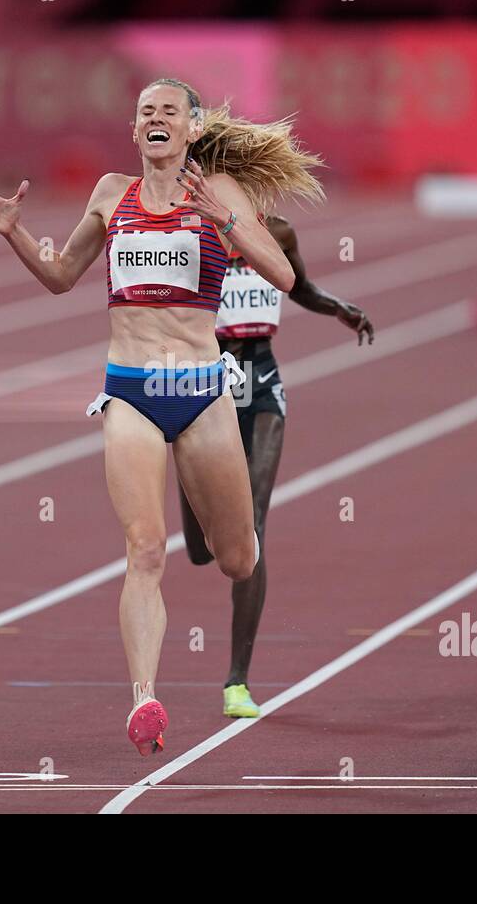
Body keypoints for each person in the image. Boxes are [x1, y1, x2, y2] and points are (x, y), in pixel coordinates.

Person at [0, 78, 323, 751]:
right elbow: (62, 275)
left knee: (238, 558)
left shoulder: (221, 195)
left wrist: (227, 219)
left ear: (191, 130)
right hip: (129, 390)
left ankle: (218, 534)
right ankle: (145, 698)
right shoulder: (109, 193)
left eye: (170, 112)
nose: (156, 119)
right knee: (145, 547)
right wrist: (15, 235)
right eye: (146, 112)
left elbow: (285, 277)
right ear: (136, 132)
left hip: (203, 391)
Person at [178, 205, 373, 718]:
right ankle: (188, 479)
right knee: (203, 551)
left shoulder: (277, 230)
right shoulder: (189, 225)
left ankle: (236, 682)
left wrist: (336, 307)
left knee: (254, 527)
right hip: (204, 382)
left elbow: (298, 286)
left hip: (262, 380)